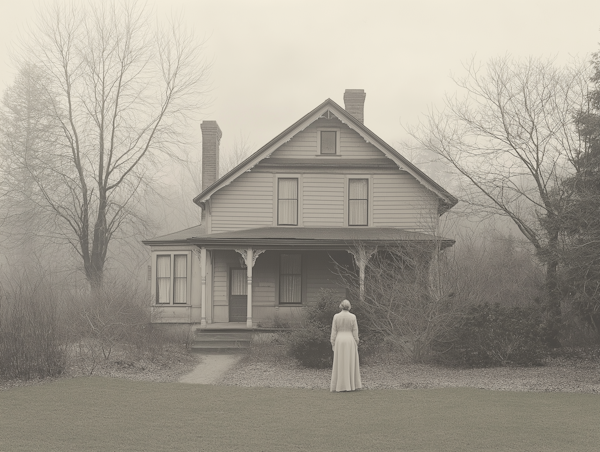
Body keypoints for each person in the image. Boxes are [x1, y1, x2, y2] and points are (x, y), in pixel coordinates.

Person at [330, 299, 362, 392]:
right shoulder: (353, 317)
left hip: (339, 340)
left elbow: (334, 331)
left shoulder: (336, 316)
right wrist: (356, 341)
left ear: (341, 306)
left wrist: (333, 342)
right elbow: (355, 331)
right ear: (349, 306)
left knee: (339, 362)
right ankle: (351, 384)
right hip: (349, 340)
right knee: (350, 361)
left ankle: (339, 385)